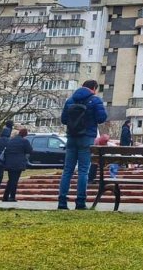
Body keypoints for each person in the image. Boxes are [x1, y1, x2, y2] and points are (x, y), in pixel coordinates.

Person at [57, 79, 108, 210]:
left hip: (71, 137)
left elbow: (64, 120)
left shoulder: (70, 100)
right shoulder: (95, 100)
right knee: (83, 171)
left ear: (82, 86)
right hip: (87, 137)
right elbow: (102, 118)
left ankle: (62, 201)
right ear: (94, 88)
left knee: (67, 170)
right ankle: (80, 202)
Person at [1, 128, 32, 202]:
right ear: (25, 134)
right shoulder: (24, 141)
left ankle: (5, 196)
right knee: (15, 180)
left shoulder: (11, 140)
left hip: (9, 163)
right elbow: (30, 150)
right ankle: (12, 197)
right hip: (18, 163)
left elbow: (6, 151)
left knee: (10, 180)